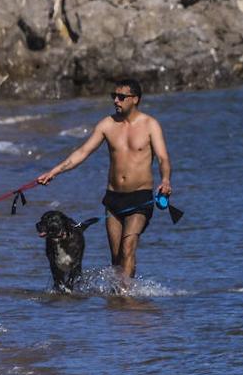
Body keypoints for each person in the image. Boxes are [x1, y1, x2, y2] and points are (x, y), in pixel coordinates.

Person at [37, 79, 172, 283]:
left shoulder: (150, 125)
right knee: (117, 257)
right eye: (114, 96)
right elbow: (83, 152)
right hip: (113, 199)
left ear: (135, 99)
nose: (116, 101)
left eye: (121, 97)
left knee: (128, 247)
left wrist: (166, 180)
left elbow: (163, 158)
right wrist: (54, 171)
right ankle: (121, 294)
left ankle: (125, 296)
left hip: (140, 198)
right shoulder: (107, 124)